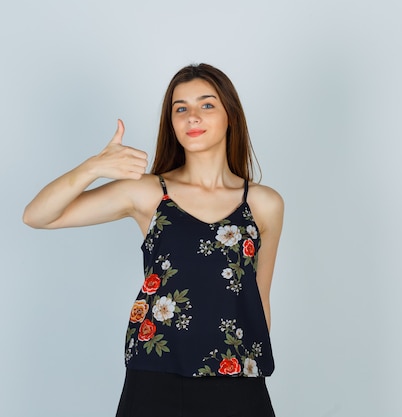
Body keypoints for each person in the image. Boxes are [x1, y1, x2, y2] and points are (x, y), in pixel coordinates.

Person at [23, 63, 284, 416]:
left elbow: (259, 302)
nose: (193, 116)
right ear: (171, 122)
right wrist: (93, 167)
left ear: (230, 116)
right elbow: (38, 216)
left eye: (206, 105)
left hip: (237, 378)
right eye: (181, 109)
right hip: (156, 375)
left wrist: (252, 380)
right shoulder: (148, 192)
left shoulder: (264, 203)